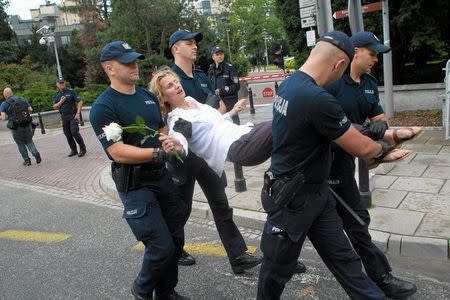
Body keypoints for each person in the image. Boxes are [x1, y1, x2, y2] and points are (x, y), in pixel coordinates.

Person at [257, 31, 397, 300]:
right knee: (275, 270)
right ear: (338, 65)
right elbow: (363, 148)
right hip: (293, 203)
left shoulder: (288, 84)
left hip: (317, 195)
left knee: (347, 263)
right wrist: (385, 148)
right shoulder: (317, 99)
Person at [149, 68, 411, 176]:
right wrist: (177, 147)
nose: (177, 87)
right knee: (294, 115)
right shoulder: (177, 118)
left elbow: (210, 125)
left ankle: (369, 150)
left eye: (176, 82)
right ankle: (381, 139)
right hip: (240, 147)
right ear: (164, 96)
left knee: (311, 129)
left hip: (244, 133)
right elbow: (183, 139)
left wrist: (231, 112)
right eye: (170, 87)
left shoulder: (193, 102)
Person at [89, 41, 188, 300]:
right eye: (127, 62)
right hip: (136, 186)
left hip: (162, 179)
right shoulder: (103, 106)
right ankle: (142, 291)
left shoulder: (146, 96)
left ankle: (166, 293)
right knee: (160, 247)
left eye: (135, 60)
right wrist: (156, 153)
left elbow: (161, 127)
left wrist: (166, 139)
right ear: (110, 68)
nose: (135, 65)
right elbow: (117, 151)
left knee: (176, 241)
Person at [324, 31, 418, 299]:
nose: (376, 58)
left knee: (351, 221)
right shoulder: (331, 81)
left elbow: (379, 118)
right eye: (372, 53)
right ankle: (381, 278)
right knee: (352, 220)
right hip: (321, 165)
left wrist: (381, 124)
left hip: (343, 165)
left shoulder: (368, 83)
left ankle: (380, 277)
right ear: (356, 51)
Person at [168, 29, 265, 274]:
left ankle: (237, 256)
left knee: (221, 205)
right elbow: (168, 117)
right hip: (185, 154)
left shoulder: (201, 75)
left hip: (208, 153)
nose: (194, 46)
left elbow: (215, 105)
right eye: (188, 43)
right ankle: (172, 249)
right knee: (182, 208)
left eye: (195, 43)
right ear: (175, 49)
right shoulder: (169, 79)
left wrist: (224, 112)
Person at [1, 88, 41, 166]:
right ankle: (35, 153)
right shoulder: (22, 99)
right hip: (26, 124)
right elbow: (30, 109)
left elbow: (3, 118)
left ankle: (27, 161)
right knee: (29, 141)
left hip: (16, 127)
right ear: (12, 93)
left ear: (5, 95)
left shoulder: (4, 104)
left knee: (20, 143)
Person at [53, 77, 86, 157]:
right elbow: (54, 106)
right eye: (60, 83)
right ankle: (73, 150)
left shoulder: (71, 91)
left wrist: (78, 113)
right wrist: (61, 102)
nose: (62, 84)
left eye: (63, 83)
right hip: (64, 117)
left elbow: (80, 101)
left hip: (73, 116)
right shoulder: (56, 94)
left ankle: (82, 149)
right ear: (57, 84)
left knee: (74, 132)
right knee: (67, 134)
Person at [207, 46, 241, 124]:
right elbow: (209, 85)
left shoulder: (230, 68)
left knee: (234, 126)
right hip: (217, 103)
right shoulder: (211, 70)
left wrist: (221, 91)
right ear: (213, 57)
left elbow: (236, 86)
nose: (220, 56)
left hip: (230, 102)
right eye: (217, 54)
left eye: (221, 54)